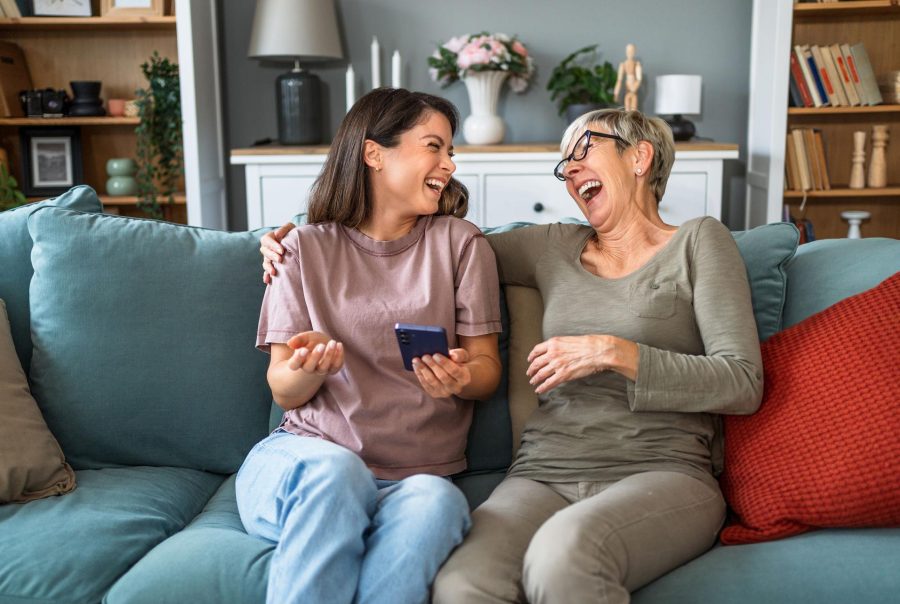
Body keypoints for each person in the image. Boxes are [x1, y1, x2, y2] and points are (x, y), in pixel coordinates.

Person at [261, 108, 763, 603]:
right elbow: (420, 246)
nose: (569, 170)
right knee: (460, 586)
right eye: (564, 163)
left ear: (640, 157)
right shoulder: (554, 245)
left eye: (583, 150)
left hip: (661, 467)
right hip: (545, 470)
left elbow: (742, 382)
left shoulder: (698, 241)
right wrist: (284, 239)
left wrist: (616, 352)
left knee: (564, 557)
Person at [240, 87, 503, 604]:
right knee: (339, 472)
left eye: (451, 151)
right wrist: (310, 368)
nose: (449, 164)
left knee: (438, 502)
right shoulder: (300, 248)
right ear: (373, 152)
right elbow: (285, 392)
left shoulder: (462, 244)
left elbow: (487, 369)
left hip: (417, 479)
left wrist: (462, 377)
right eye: (435, 146)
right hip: (307, 464)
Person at [614, 43, 643, 112]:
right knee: (627, 111)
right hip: (627, 92)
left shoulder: (637, 64)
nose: (630, 53)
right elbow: (619, 80)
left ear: (634, 52)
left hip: (633, 92)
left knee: (634, 110)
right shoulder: (623, 65)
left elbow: (639, 79)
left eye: (632, 51)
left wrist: (634, 87)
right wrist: (616, 93)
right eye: (628, 51)